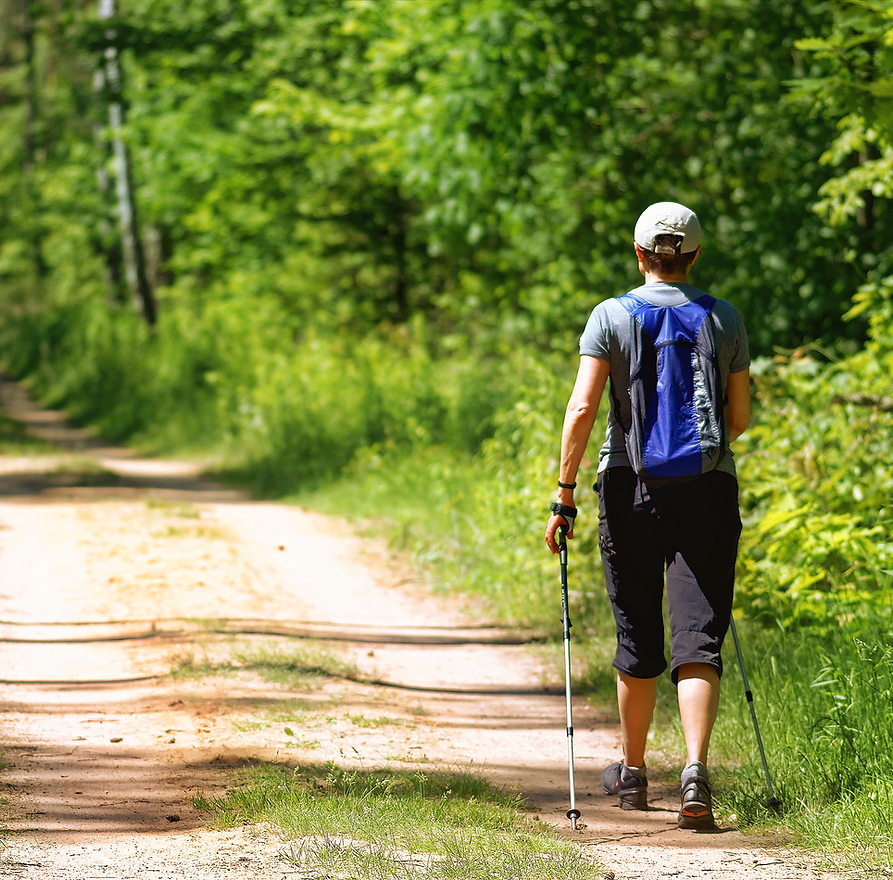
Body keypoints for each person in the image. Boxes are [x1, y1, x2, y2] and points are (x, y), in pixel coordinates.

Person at [543, 202, 751, 830]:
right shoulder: (725, 317)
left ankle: (632, 772)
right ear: (693, 257)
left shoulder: (610, 316)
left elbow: (582, 410)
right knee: (699, 635)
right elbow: (737, 421)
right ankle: (694, 772)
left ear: (639, 255)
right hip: (708, 489)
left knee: (637, 629)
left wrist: (565, 491)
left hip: (627, 486)